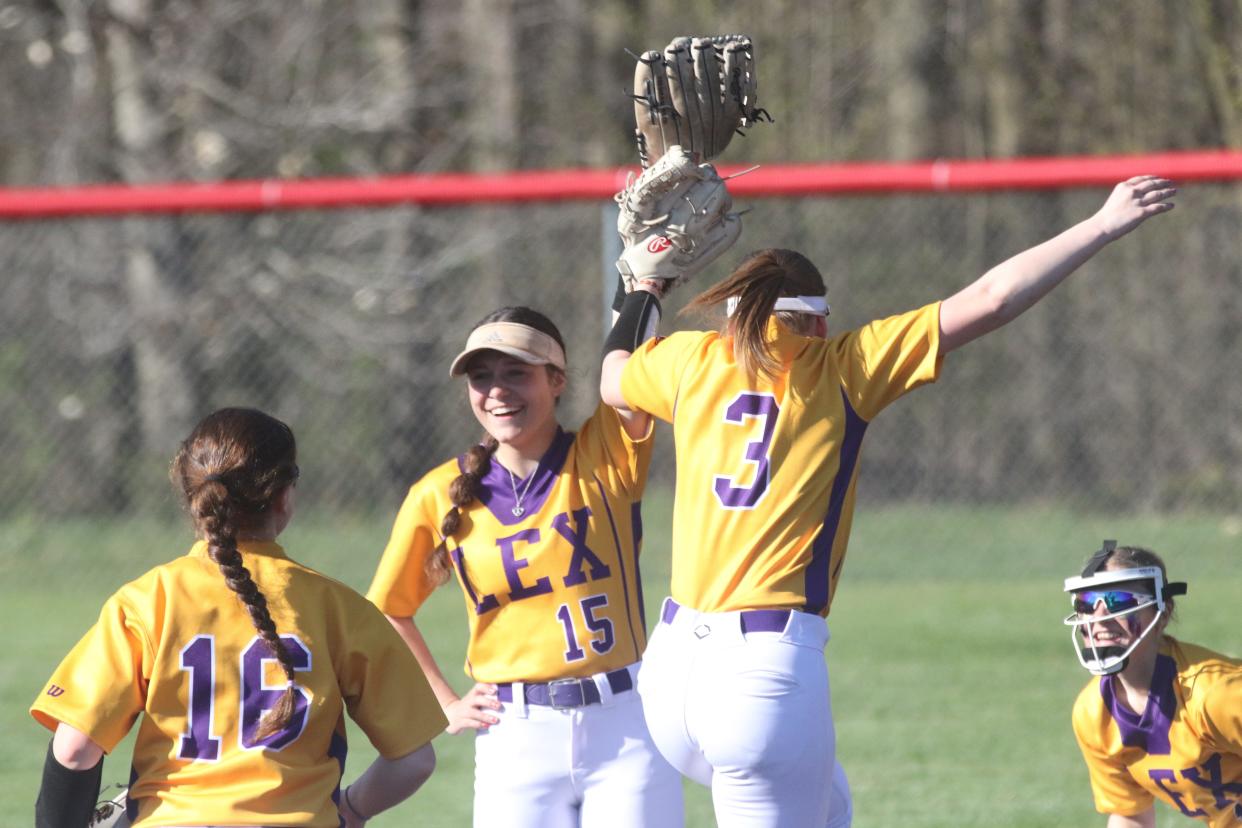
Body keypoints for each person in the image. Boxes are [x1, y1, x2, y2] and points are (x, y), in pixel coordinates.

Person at [599, 175, 1178, 827]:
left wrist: (642, 287)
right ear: (817, 320)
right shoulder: (841, 365)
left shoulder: (687, 361)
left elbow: (612, 378)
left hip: (670, 673)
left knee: (831, 808)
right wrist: (1100, 224)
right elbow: (991, 299)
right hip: (762, 676)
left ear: (735, 315)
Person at [30, 407, 445, 828]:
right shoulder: (341, 609)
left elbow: (75, 750)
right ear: (285, 496)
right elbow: (413, 761)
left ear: (193, 499)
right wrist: (352, 810)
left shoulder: (148, 600)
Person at [366, 306, 682, 827]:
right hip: (516, 733)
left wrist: (642, 288)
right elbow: (387, 610)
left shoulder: (602, 455)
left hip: (626, 722)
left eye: (517, 373)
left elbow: (624, 378)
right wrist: (444, 702)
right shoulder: (438, 494)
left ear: (556, 381)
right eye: (481, 376)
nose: (497, 390)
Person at [1065, 541, 1242, 827]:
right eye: (1086, 602)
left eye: (1118, 601)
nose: (1099, 619)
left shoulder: (1215, 696)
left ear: (1162, 613)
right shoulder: (1093, 715)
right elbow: (1131, 814)